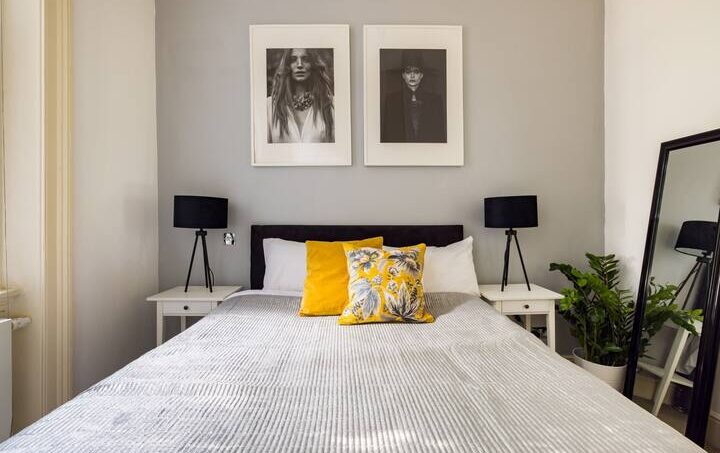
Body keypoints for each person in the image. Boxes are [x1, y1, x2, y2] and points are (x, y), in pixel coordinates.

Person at [267, 48, 335, 143]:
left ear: (313, 64)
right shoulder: (269, 106)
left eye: (305, 59)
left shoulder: (331, 105)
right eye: (293, 60)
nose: (299, 65)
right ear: (287, 65)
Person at [381, 50, 446, 143]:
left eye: (416, 71)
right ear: (403, 75)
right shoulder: (391, 100)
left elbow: (440, 136)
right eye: (408, 71)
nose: (412, 75)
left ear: (421, 75)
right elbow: (387, 136)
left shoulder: (435, 101)